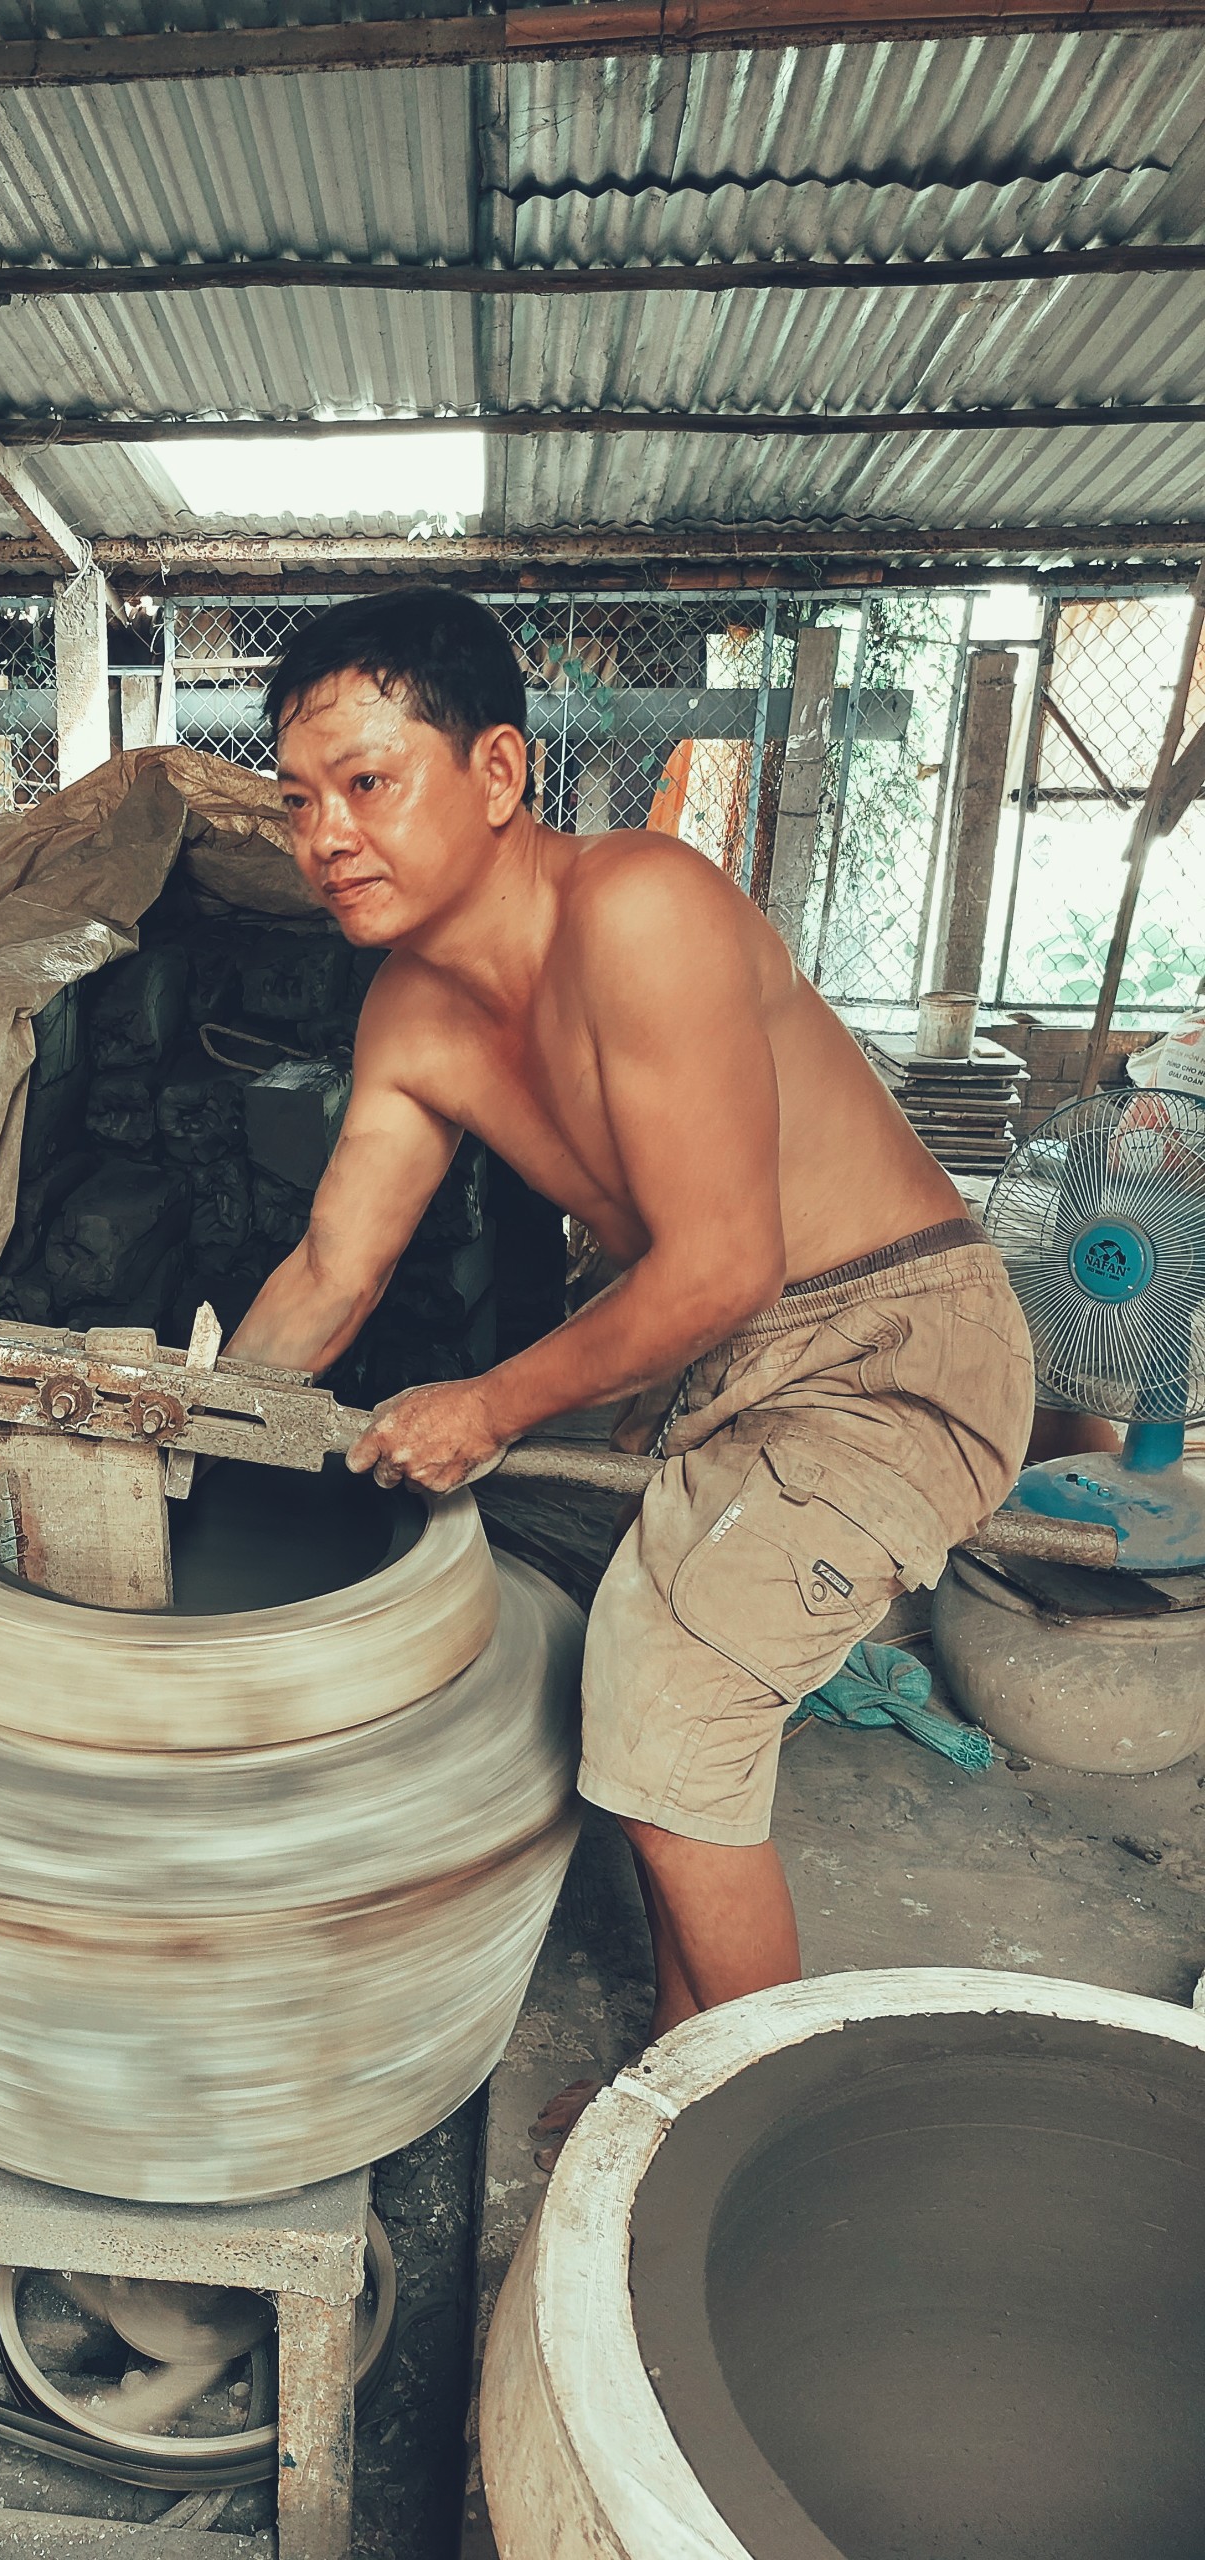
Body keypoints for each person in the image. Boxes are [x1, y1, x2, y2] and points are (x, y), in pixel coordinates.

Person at [227, 588, 1034, 2121]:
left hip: (888, 1342)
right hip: (702, 1363)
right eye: (298, 801)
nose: (326, 835)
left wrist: (488, 1402)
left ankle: (776, 2139)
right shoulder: (410, 1012)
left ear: (499, 773)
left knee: (669, 1692)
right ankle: (676, 2068)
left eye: (368, 782)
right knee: (561, 1607)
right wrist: (196, 1430)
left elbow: (725, 1264)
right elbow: (335, 1269)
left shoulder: (640, 907)